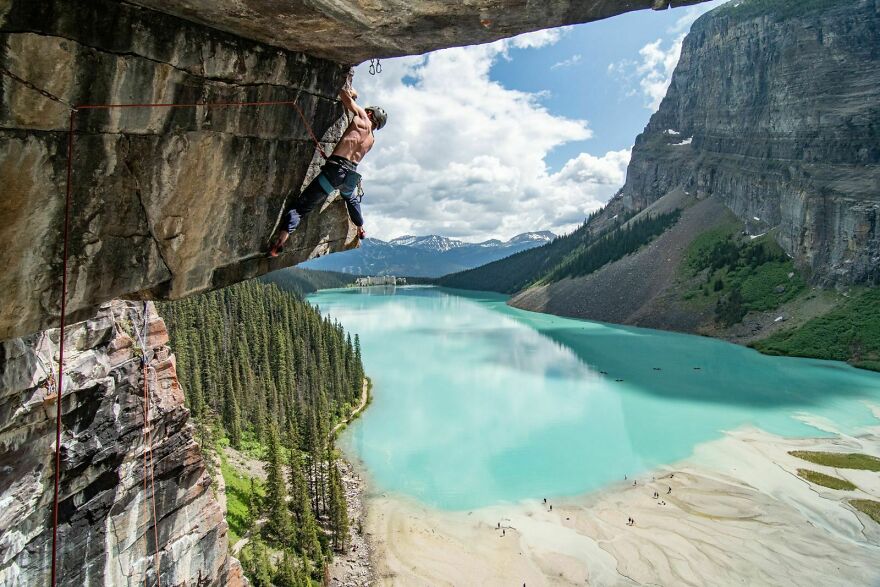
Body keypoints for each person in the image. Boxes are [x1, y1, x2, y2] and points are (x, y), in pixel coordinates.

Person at [269, 82, 387, 257]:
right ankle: (361, 228)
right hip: (350, 175)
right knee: (351, 199)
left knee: (302, 206)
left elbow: (343, 94)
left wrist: (354, 93)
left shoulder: (362, 117)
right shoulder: (372, 140)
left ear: (370, 113)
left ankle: (279, 243)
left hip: (335, 171)